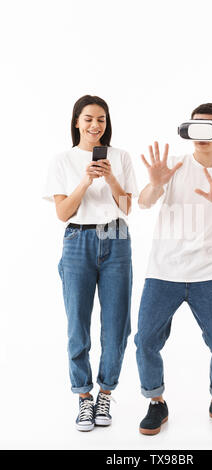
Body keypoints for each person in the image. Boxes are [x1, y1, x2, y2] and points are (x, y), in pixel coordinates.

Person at [134, 103, 212, 435]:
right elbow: (145, 201)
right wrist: (157, 184)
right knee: (145, 339)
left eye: (209, 128)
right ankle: (156, 402)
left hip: (208, 274)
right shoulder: (173, 166)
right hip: (163, 271)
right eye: (195, 127)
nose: (201, 135)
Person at [42, 95, 138, 431]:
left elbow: (126, 207)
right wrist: (85, 180)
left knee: (117, 326)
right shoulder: (62, 161)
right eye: (88, 119)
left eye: (101, 119)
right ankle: (84, 398)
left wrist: (110, 178)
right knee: (77, 324)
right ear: (76, 122)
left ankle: (105, 393)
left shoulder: (121, 157)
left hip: (117, 238)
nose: (95, 125)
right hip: (77, 240)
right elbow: (62, 213)